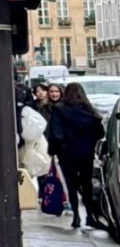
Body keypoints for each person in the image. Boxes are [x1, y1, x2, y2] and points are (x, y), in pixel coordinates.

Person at [46, 81, 103, 231]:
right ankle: (90, 215)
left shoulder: (59, 110)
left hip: (67, 153)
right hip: (86, 153)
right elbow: (100, 132)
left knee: (71, 184)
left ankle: (76, 215)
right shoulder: (90, 111)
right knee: (86, 183)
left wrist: (54, 150)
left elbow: (56, 133)